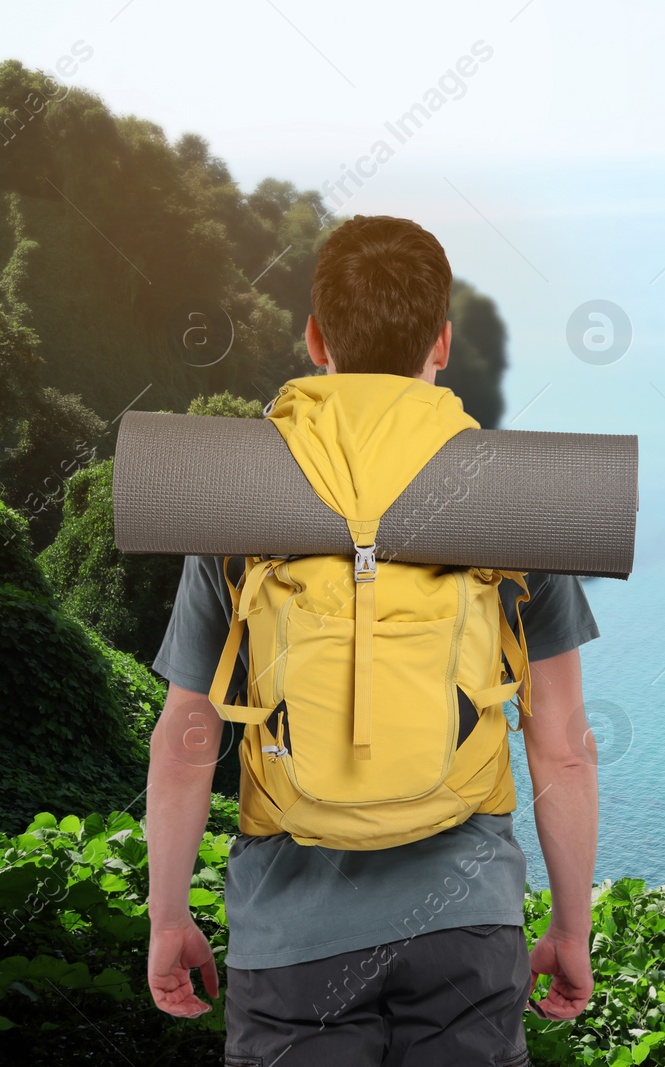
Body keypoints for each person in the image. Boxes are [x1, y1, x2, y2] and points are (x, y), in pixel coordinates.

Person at [141, 215, 598, 1066]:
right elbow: (563, 748)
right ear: (443, 341)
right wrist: (571, 927)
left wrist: (170, 917)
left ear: (317, 339)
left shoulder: (241, 493)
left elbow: (186, 740)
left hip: (290, 933)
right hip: (467, 921)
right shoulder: (511, 497)